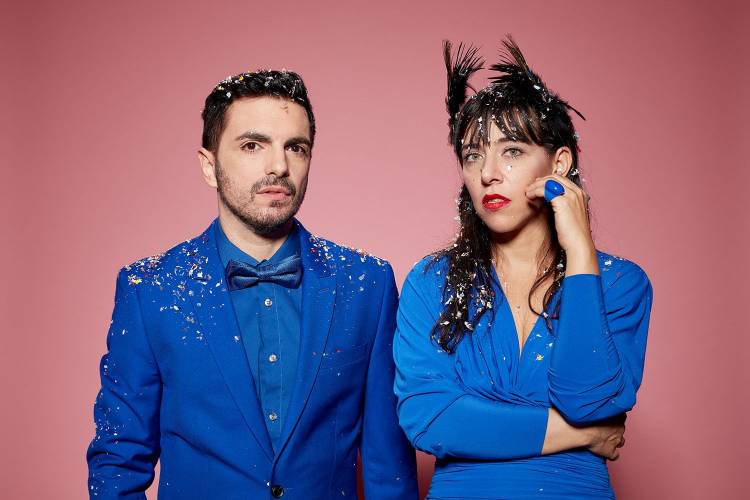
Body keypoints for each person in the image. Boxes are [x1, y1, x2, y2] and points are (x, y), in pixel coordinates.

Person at [87, 69, 418, 499]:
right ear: (209, 166)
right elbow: (118, 461)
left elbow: (389, 469)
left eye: (295, 147)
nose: (278, 166)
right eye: (252, 145)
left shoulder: (367, 285)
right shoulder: (149, 289)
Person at [393, 37, 653, 499]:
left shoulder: (620, 283)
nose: (488, 173)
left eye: (511, 151)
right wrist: (578, 434)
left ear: (559, 163)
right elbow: (430, 420)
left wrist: (580, 252)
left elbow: (589, 400)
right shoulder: (429, 282)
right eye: (473, 155)